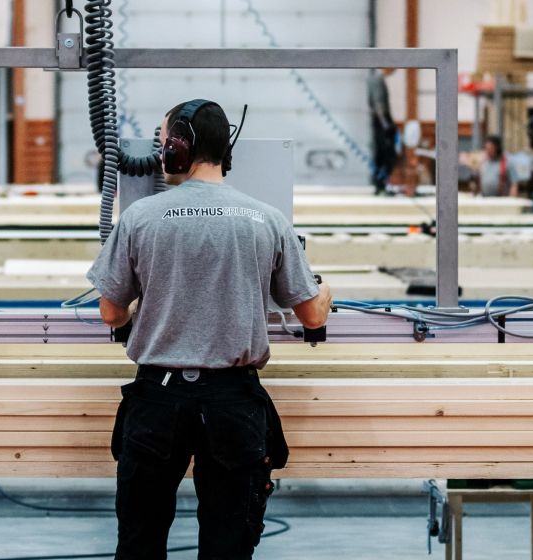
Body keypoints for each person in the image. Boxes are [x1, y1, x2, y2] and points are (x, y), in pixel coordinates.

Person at [87, 99, 332, 560]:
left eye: (164, 142)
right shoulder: (267, 221)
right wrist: (324, 289)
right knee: (229, 546)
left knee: (139, 542)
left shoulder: (139, 218)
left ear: (180, 145)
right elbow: (313, 317)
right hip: (233, 403)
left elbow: (110, 313)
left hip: (157, 400)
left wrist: (151, 304)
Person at [367, 68, 398, 195]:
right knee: (385, 154)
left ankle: (380, 183)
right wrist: (386, 125)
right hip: (381, 121)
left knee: (382, 154)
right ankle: (380, 183)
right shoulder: (377, 79)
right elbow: (379, 103)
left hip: (381, 121)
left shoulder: (376, 78)